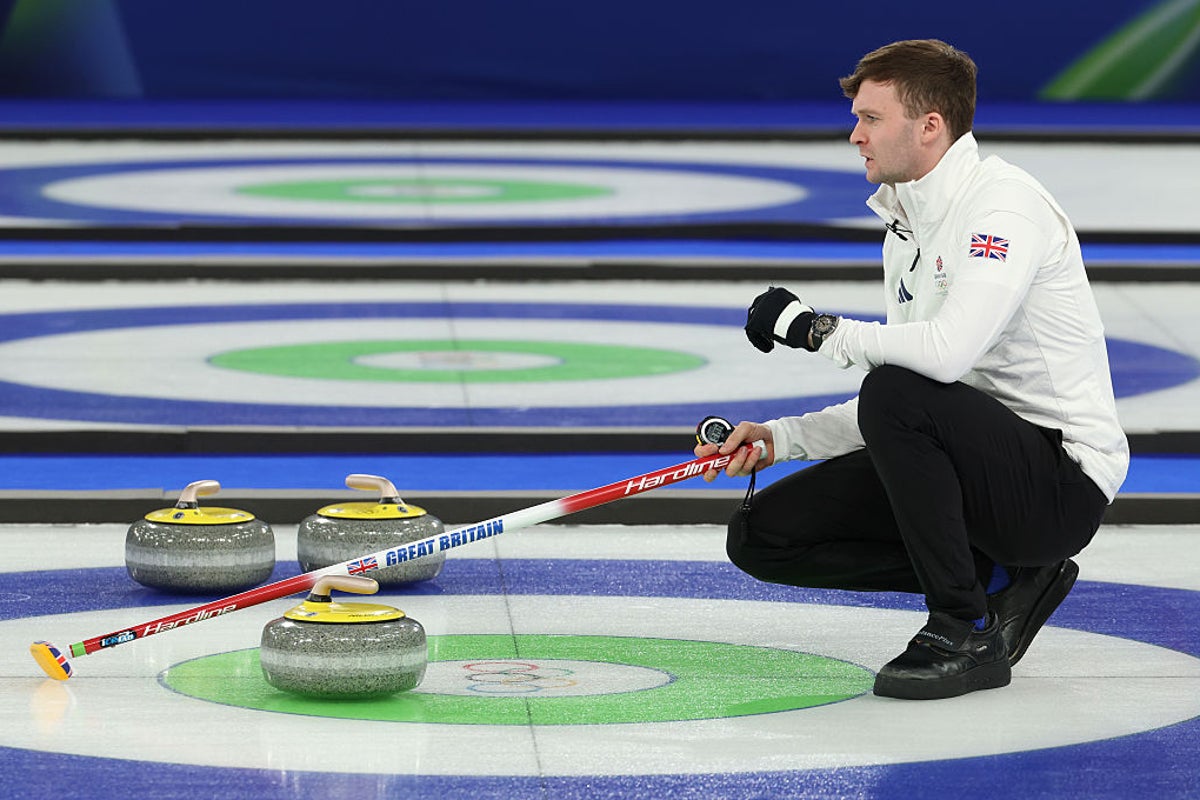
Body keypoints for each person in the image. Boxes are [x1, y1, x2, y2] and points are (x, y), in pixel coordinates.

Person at [694, 39, 1129, 700]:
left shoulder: (1003, 208)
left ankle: (964, 629)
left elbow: (938, 361)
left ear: (930, 126)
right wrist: (780, 440)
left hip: (1058, 485)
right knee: (764, 538)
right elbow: (917, 392)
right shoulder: (906, 229)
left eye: (871, 118)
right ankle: (1005, 581)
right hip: (974, 458)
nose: (854, 135)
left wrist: (817, 331)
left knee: (895, 389)